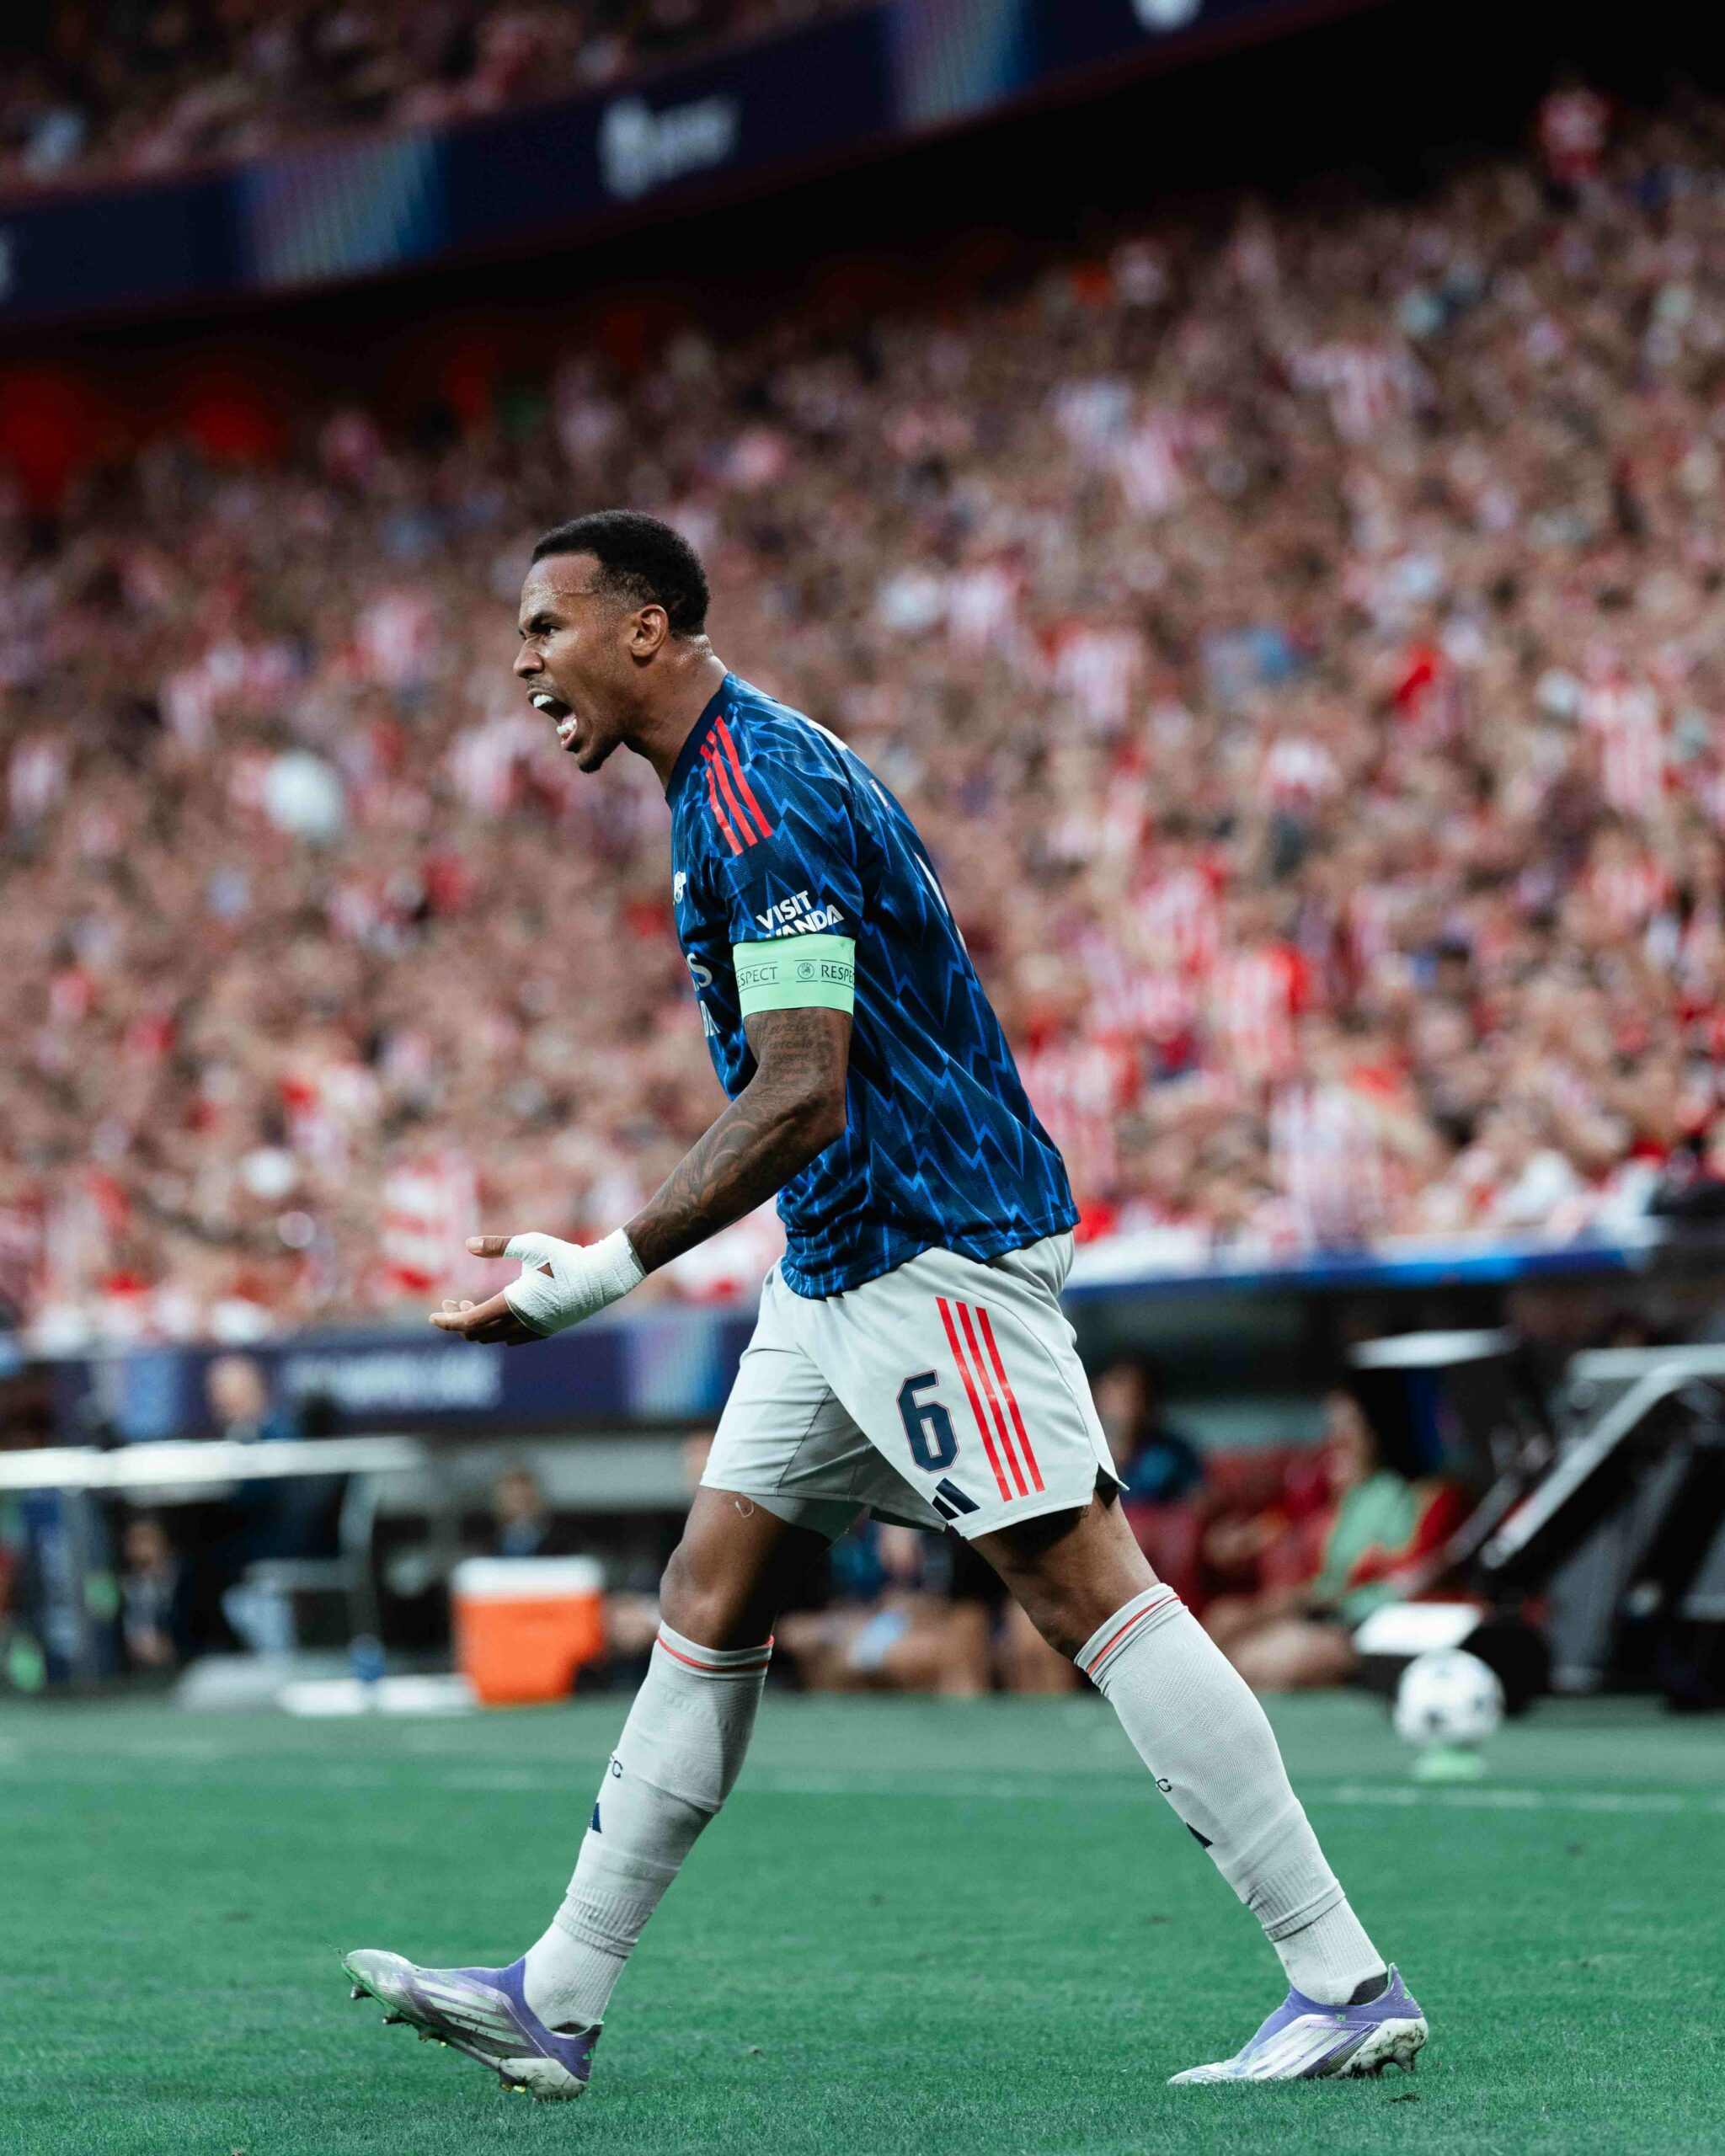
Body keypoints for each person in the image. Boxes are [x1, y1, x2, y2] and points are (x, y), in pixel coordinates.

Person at [339, 510, 1425, 2095]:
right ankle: (554, 1996)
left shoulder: (756, 794)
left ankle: (1341, 1978)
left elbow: (803, 1090)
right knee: (712, 1587)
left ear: (644, 629)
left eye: (546, 627)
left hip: (927, 1245)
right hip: (839, 1259)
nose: (522, 663)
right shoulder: (734, 771)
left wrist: (609, 1268)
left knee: (1080, 1587)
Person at [1204, 1389, 1466, 1690]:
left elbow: (1393, 1577)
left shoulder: (1413, 1497)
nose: (1337, 1440)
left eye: (1349, 1427)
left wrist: (1307, 1601)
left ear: (1376, 1431)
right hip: (1321, 1605)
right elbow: (1286, 1519)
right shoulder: (1343, 1492)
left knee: (1254, 1659)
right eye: (1332, 1428)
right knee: (1222, 1620)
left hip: (1360, 1620)